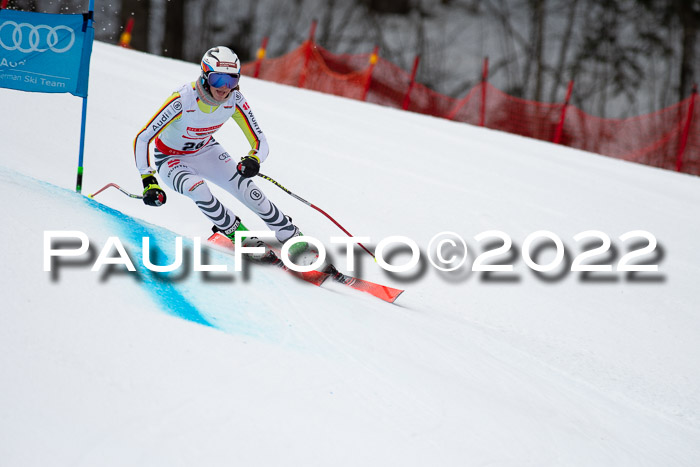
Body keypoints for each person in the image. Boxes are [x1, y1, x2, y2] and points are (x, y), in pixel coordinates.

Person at [133, 46, 306, 257]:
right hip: (170, 159)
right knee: (198, 188)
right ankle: (237, 234)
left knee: (244, 186)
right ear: (205, 76)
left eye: (231, 81)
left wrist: (254, 159)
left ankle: (287, 232)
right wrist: (148, 179)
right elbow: (143, 138)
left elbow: (259, 140)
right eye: (218, 80)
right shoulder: (182, 100)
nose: (224, 88)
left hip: (206, 151)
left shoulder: (235, 100)